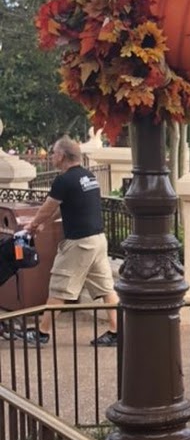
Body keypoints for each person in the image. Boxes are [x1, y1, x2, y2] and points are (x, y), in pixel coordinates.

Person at [24, 136, 119, 347]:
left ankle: (42, 333)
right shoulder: (88, 176)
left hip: (79, 243)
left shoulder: (64, 180)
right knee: (106, 287)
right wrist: (45, 223)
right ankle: (116, 332)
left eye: (53, 153)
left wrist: (33, 224)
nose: (51, 156)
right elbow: (66, 206)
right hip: (97, 240)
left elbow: (48, 207)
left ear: (62, 156)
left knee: (60, 286)